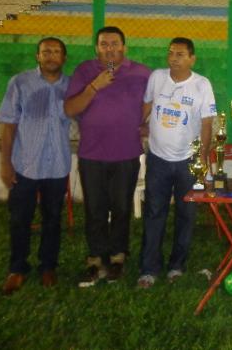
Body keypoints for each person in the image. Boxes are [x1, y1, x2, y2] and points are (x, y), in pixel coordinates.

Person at [64, 26, 151, 287]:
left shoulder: (142, 73)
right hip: (92, 153)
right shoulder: (84, 71)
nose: (109, 48)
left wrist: (148, 122)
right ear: (96, 48)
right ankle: (95, 259)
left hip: (126, 152)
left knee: (122, 207)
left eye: (115, 44)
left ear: (124, 46)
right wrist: (94, 86)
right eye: (104, 44)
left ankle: (118, 257)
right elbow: (70, 108)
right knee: (95, 208)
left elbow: (156, 102)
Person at [137, 37, 216, 288]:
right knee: (154, 212)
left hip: (187, 161)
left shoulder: (202, 85)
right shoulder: (157, 78)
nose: (174, 58)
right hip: (158, 158)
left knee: (186, 214)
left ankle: (176, 266)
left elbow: (206, 124)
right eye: (171, 53)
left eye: (180, 54)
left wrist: (202, 158)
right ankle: (149, 269)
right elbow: (147, 106)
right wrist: (138, 126)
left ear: (192, 58)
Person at [0, 37, 71, 295]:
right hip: (25, 165)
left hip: (57, 165)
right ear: (37, 56)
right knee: (20, 219)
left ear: (64, 58)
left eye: (56, 52)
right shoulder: (20, 83)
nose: (51, 56)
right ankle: (17, 268)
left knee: (53, 219)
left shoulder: (72, 87)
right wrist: (6, 164)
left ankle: (48, 266)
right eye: (45, 51)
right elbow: (8, 127)